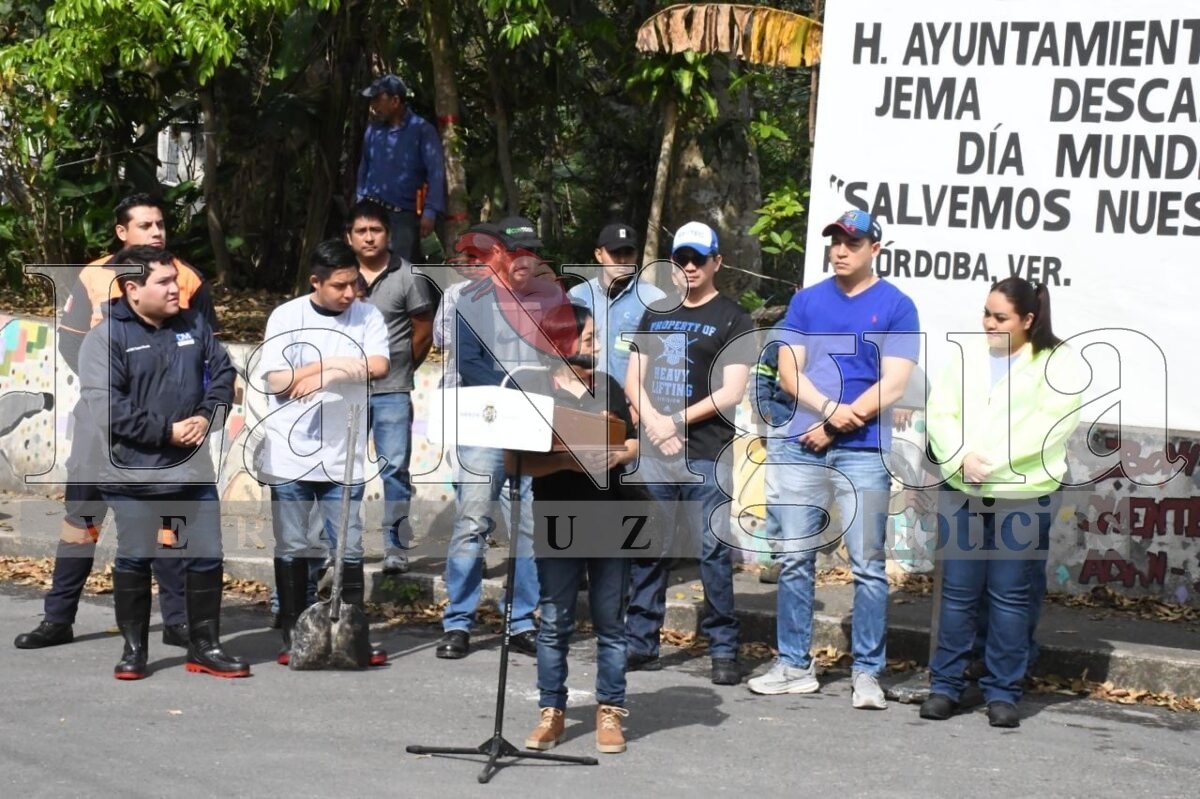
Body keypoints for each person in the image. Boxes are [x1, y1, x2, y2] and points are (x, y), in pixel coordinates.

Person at [14, 193, 216, 651]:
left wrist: (191, 410)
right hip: (99, 423)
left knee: (169, 524)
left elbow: (207, 354)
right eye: (145, 226)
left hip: (164, 432)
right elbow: (70, 344)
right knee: (81, 518)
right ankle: (58, 617)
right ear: (122, 233)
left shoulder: (186, 279)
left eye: (160, 224)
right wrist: (108, 388)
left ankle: (179, 621)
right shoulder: (92, 276)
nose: (157, 232)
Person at [747, 209, 919, 709]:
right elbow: (787, 373)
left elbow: (895, 382)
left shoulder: (897, 306)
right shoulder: (806, 302)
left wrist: (845, 420)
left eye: (852, 242)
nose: (841, 250)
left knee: (866, 564)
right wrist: (828, 412)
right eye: (836, 241)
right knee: (796, 558)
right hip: (802, 444)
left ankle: (867, 672)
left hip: (863, 450)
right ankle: (795, 665)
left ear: (875, 250)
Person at [919, 277, 1082, 728]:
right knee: (957, 594)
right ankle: (946, 686)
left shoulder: (1057, 361)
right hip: (964, 489)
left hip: (1023, 493)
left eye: (1000, 317)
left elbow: (1055, 421)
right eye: (986, 313)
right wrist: (960, 458)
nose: (989, 323)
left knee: (1009, 595)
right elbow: (941, 413)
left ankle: (1003, 690)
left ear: (1028, 319)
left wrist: (992, 462)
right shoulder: (967, 355)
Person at [78, 246, 246, 679]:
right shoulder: (106, 338)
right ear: (133, 288)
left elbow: (224, 375)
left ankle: (204, 646)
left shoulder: (195, 325)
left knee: (204, 556)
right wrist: (166, 432)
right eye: (165, 282)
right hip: (132, 473)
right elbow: (107, 408)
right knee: (137, 556)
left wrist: (206, 416)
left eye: (177, 279)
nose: (178, 289)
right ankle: (135, 650)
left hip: (190, 475)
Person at [623, 221, 755, 687]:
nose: (691, 266)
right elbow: (632, 379)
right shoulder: (655, 314)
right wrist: (654, 423)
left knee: (712, 551)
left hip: (706, 452)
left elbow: (730, 391)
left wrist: (672, 422)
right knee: (649, 548)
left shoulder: (735, 318)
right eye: (682, 258)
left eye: (700, 258)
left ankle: (723, 648)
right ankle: (641, 641)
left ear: (718, 261)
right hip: (656, 452)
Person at [436, 217, 571, 660]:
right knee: (473, 523)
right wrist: (522, 391)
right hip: (484, 422)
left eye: (531, 253)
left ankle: (520, 621)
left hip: (533, 425)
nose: (523, 261)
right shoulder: (468, 298)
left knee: (529, 527)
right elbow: (471, 362)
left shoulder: (551, 297)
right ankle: (459, 622)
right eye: (515, 253)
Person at [255, 240, 390, 667]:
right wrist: (339, 366)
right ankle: (295, 635)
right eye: (340, 286)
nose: (350, 294)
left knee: (348, 547)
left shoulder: (368, 315)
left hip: (343, 456)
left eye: (355, 284)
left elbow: (379, 365)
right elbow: (276, 380)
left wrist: (324, 370)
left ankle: (349, 634)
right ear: (315, 282)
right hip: (290, 455)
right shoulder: (286, 316)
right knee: (295, 546)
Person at [516, 304, 639, 754]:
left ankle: (610, 709)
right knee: (554, 621)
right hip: (557, 518)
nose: (593, 346)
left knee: (612, 623)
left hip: (611, 517)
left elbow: (631, 439)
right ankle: (552, 712)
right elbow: (515, 461)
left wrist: (623, 454)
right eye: (587, 339)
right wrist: (569, 458)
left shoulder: (606, 385)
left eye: (594, 340)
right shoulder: (532, 389)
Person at [346, 200, 434, 575]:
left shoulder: (408, 275)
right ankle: (345, 547)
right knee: (343, 470)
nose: (369, 237)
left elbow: (423, 328)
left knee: (394, 469)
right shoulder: (341, 275)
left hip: (393, 390)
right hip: (346, 392)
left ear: (388, 234)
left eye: (376, 230)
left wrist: (401, 368)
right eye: (361, 231)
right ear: (348, 237)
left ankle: (395, 548)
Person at [357, 74, 446, 264]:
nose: (373, 105)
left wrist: (430, 211)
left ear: (395, 100)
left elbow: (435, 173)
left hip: (403, 217)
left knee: (397, 270)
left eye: (377, 99)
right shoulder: (373, 130)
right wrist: (360, 200)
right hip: (372, 212)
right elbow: (365, 166)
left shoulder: (422, 131)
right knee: (368, 268)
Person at [567, 222, 665, 388]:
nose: (622, 260)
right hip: (581, 396)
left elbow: (660, 358)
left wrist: (637, 408)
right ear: (599, 254)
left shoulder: (654, 300)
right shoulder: (577, 296)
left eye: (628, 253)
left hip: (629, 404)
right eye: (615, 253)